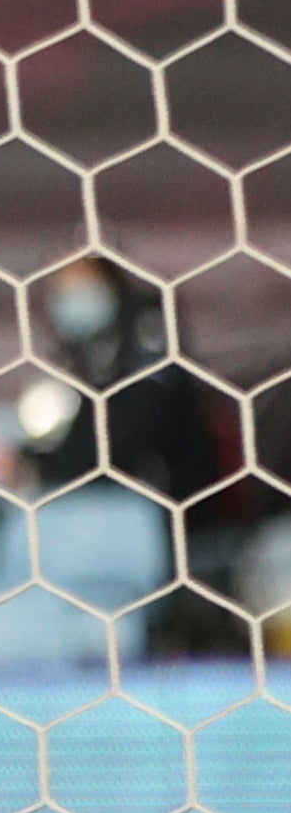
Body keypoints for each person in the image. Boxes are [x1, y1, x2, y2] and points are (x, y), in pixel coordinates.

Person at [21, 254, 272, 656]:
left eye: (80, 286)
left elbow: (124, 441)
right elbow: (83, 443)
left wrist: (34, 465)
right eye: (61, 291)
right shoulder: (88, 364)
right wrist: (26, 459)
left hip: (193, 526)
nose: (70, 300)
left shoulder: (151, 355)